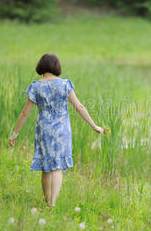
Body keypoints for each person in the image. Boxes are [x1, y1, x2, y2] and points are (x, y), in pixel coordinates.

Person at [8, 53, 104, 207]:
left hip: (44, 130)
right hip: (62, 131)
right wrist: (94, 126)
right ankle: (53, 204)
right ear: (56, 67)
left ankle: (48, 202)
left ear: (41, 66)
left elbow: (25, 113)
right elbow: (79, 107)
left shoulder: (35, 86)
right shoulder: (65, 84)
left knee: (46, 167)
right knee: (57, 167)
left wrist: (14, 134)